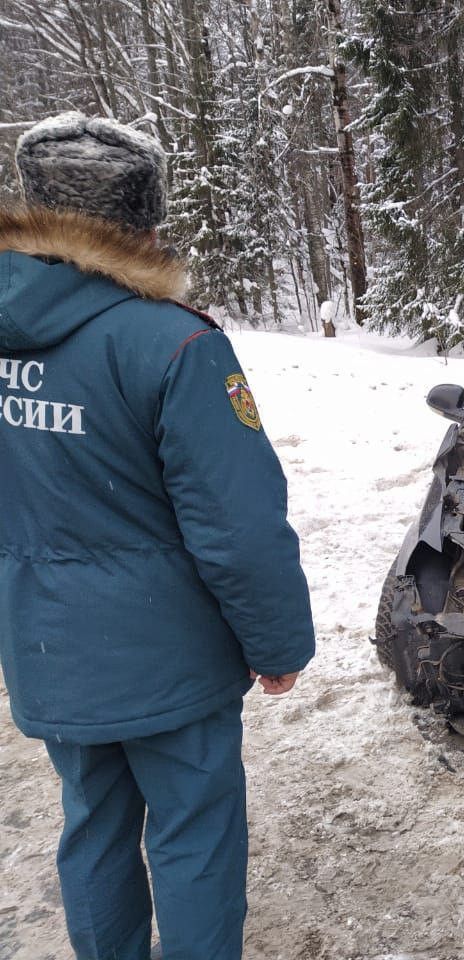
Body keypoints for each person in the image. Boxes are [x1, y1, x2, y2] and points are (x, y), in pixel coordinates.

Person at [0, 112, 315, 959]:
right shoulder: (173, 343)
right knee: (195, 836)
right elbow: (239, 524)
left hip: (48, 648)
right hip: (166, 654)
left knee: (93, 824)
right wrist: (278, 641)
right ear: (141, 223)